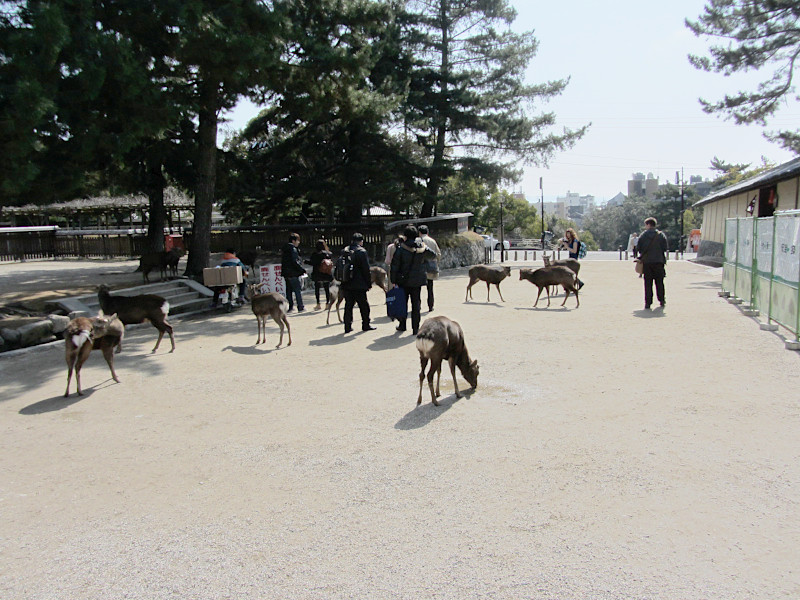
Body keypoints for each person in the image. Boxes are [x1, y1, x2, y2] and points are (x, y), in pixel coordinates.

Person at [391, 225, 434, 334]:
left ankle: (402, 325)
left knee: (402, 303)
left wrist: (393, 280)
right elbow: (432, 255)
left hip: (403, 280)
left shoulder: (401, 249)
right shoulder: (421, 247)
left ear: (405, 236)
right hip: (417, 280)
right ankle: (415, 328)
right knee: (416, 304)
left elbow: (394, 266)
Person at [341, 232, 376, 333]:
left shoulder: (345, 250)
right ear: (361, 241)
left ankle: (347, 326)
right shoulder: (361, 252)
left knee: (348, 305)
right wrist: (368, 283)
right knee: (364, 305)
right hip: (359, 283)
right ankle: (366, 324)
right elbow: (366, 269)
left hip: (346, 282)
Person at [636, 217, 669, 310]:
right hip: (659, 262)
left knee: (648, 283)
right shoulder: (661, 235)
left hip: (647, 262)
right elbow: (665, 247)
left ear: (648, 224)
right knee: (660, 282)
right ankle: (662, 300)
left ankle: (648, 303)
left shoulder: (643, 236)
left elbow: (639, 248)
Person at [418, 224, 441, 312]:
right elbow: (438, 254)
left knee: (418, 289)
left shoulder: (417, 240)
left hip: (419, 268)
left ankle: (418, 306)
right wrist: (436, 263)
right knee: (430, 288)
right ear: (427, 232)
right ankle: (430, 306)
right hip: (430, 268)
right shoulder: (432, 241)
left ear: (419, 232)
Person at [281, 232, 306, 312]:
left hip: (286, 273)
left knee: (288, 291)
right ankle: (300, 306)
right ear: (293, 241)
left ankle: (290, 307)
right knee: (297, 290)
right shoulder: (293, 249)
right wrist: (301, 269)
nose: (298, 242)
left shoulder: (284, 249)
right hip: (293, 273)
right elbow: (295, 261)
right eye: (297, 240)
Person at [307, 239, 333, 310]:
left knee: (317, 289)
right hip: (326, 274)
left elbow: (312, 263)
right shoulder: (328, 254)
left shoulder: (315, 254)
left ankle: (318, 304)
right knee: (327, 289)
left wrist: (305, 262)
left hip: (317, 273)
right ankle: (327, 303)